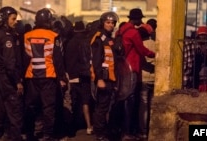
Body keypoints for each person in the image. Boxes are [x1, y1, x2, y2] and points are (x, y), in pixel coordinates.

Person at [23, 8, 67, 141]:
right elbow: (57, 60)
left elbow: (25, 58)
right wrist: (62, 78)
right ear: (48, 21)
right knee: (48, 107)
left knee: (30, 106)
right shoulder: (53, 36)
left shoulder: (27, 35)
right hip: (48, 76)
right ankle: (47, 135)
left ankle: (29, 133)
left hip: (31, 76)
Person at [0, 6, 24, 141]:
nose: (16, 22)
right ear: (4, 19)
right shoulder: (7, 38)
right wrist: (18, 82)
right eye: (13, 19)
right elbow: (10, 64)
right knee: (15, 114)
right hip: (8, 80)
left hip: (0, 79)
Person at [117, 8, 155, 140]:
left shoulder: (120, 30)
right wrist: (156, 55)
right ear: (136, 19)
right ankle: (127, 132)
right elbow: (142, 50)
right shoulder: (133, 32)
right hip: (132, 69)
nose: (141, 21)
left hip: (122, 68)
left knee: (123, 99)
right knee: (130, 101)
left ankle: (122, 130)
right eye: (140, 19)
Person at [90, 11, 119, 141]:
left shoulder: (108, 39)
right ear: (102, 23)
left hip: (110, 78)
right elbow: (96, 60)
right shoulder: (99, 38)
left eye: (113, 23)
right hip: (103, 78)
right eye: (108, 22)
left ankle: (104, 132)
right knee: (101, 107)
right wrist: (99, 79)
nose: (111, 25)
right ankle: (100, 134)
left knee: (107, 106)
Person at [64, 20, 93, 137]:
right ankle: (89, 126)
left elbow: (66, 60)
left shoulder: (69, 43)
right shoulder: (86, 42)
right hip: (84, 75)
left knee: (73, 101)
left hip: (72, 75)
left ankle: (72, 127)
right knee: (85, 101)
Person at [137, 23, 156, 140]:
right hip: (155, 79)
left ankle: (143, 132)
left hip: (144, 78)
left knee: (143, 106)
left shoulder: (140, 45)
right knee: (153, 105)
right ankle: (152, 129)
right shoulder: (155, 44)